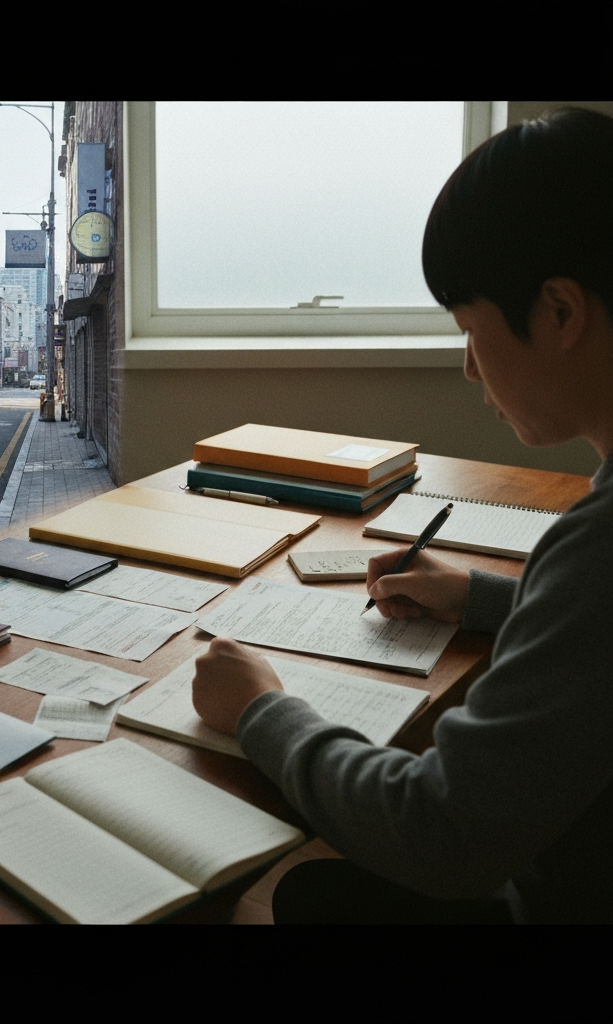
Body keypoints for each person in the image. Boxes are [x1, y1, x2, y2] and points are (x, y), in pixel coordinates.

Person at [192, 107, 613, 924]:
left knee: (305, 897)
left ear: (560, 312)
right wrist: (483, 597)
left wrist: (260, 709)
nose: (466, 367)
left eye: (468, 328)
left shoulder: (597, 547)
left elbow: (439, 831)